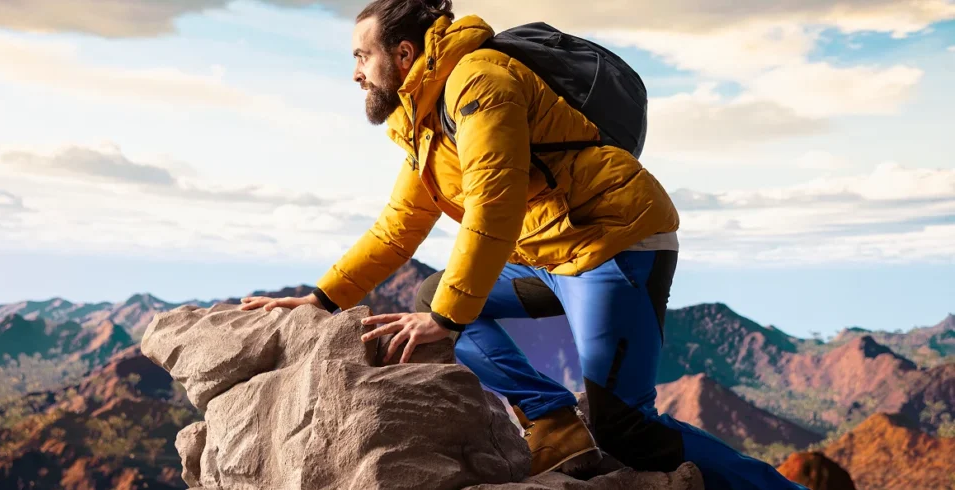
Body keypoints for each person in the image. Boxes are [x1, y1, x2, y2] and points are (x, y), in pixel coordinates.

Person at [241, 1, 807, 488]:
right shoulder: (425, 122)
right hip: (547, 256)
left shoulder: (479, 81)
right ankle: (553, 421)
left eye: (362, 57)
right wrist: (322, 299)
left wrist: (449, 320)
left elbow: (495, 204)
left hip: (612, 243)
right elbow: (398, 226)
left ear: (405, 54)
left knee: (627, 428)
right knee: (435, 295)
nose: (356, 74)